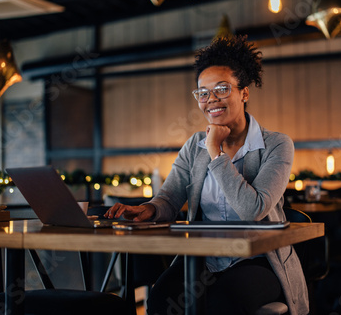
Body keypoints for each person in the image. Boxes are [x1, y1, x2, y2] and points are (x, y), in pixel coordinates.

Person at [105, 35, 309, 315]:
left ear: (244, 93)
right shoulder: (193, 145)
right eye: (203, 92)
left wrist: (215, 151)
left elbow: (254, 209)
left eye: (222, 89)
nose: (211, 99)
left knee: (222, 303)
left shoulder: (276, 144)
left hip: (259, 259)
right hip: (204, 259)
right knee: (161, 299)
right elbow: (170, 196)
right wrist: (149, 209)